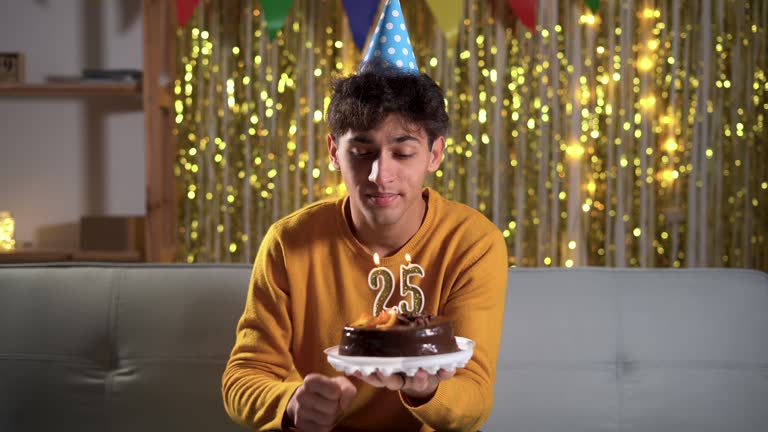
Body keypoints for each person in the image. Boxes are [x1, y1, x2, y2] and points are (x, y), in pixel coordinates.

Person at [222, 1, 508, 430]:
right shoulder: (289, 241)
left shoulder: (472, 242)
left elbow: (473, 400)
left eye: (402, 152)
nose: (380, 174)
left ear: (435, 153)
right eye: (362, 151)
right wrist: (293, 403)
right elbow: (243, 377)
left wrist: (423, 387)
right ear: (334, 152)